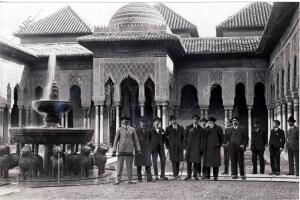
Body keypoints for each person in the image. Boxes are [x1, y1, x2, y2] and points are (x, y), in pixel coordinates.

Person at [112, 114, 141, 184]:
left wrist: (138, 150)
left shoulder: (132, 130)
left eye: (127, 119)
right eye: (124, 119)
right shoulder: (119, 130)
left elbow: (136, 140)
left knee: (129, 165)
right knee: (119, 165)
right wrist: (114, 150)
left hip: (129, 150)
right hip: (121, 150)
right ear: (122, 121)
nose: (125, 120)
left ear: (129, 121)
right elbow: (115, 140)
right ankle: (118, 179)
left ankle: (130, 180)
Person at [203, 117, 224, 181]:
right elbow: (204, 138)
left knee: (215, 163)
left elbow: (221, 137)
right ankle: (207, 176)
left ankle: (215, 176)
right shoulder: (206, 129)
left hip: (215, 148)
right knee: (207, 162)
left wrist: (219, 144)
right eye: (209, 121)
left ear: (214, 122)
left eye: (212, 121)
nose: (210, 122)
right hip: (208, 148)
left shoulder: (218, 128)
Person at [184, 114, 205, 181]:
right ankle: (188, 175)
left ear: (198, 120)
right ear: (192, 120)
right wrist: (185, 146)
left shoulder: (201, 129)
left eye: (196, 119)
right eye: (194, 119)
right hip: (189, 147)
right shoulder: (188, 127)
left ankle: (195, 175)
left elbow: (202, 139)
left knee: (196, 162)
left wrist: (201, 148)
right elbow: (185, 137)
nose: (195, 120)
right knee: (188, 162)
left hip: (197, 147)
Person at [165, 115, 185, 179]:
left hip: (179, 147)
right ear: (170, 121)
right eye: (172, 120)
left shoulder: (181, 128)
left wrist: (182, 145)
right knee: (173, 160)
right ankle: (175, 174)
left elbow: (184, 137)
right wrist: (167, 146)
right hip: (172, 147)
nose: (174, 121)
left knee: (178, 160)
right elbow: (165, 138)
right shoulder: (168, 128)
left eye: (175, 119)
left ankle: (177, 174)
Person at [134, 117, 154, 182]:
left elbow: (151, 139)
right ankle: (139, 178)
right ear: (140, 123)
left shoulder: (149, 131)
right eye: (142, 122)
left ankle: (149, 178)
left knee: (148, 164)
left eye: (144, 122)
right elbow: (135, 140)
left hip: (147, 149)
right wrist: (136, 148)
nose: (143, 124)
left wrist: (149, 147)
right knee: (139, 164)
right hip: (139, 149)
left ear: (146, 123)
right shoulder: (136, 131)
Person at [150, 116, 168, 180]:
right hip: (154, 148)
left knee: (163, 160)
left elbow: (164, 139)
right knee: (154, 161)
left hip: (161, 148)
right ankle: (156, 175)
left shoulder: (162, 130)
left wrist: (164, 145)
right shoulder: (151, 130)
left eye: (158, 121)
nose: (157, 122)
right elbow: (149, 139)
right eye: (156, 121)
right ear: (154, 123)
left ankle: (162, 175)